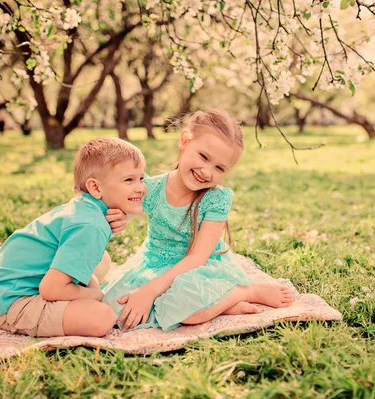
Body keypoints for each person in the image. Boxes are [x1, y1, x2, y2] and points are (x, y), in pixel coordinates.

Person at [102, 110, 294, 332]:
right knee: (114, 308)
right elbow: (124, 211)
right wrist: (118, 219)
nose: (206, 172)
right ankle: (220, 303)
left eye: (219, 168)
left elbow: (197, 257)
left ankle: (245, 292)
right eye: (204, 157)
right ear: (185, 141)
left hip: (198, 267)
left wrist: (150, 290)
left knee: (189, 311)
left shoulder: (215, 199)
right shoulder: (151, 188)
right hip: (155, 263)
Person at [0, 137, 146, 337]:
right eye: (129, 180)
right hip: (11, 303)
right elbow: (51, 289)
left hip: (6, 288)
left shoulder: (85, 208)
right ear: (95, 188)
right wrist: (96, 295)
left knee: (102, 260)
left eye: (141, 178)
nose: (140, 187)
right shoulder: (90, 225)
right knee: (102, 317)